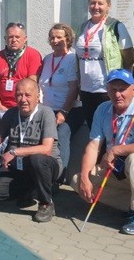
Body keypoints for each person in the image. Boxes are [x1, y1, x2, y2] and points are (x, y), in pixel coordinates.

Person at [73, 69, 134, 235]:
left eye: (122, 89)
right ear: (107, 90)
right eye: (113, 89)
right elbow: (93, 146)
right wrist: (85, 177)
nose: (117, 94)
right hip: (116, 169)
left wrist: (117, 150)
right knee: (77, 180)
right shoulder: (103, 109)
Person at [0, 78, 62, 223]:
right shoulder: (11, 113)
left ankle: (46, 203)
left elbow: (46, 149)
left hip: (46, 165)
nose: (23, 99)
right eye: (19, 95)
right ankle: (28, 191)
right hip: (19, 168)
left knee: (37, 159)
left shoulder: (46, 113)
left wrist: (14, 152)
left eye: (28, 95)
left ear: (37, 96)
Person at [76, 0, 134, 129]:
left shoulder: (116, 27)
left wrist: (120, 85)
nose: (96, 7)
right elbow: (77, 57)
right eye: (92, 3)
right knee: (93, 130)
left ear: (108, 6)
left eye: (100, 3)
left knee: (109, 130)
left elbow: (129, 59)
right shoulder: (82, 27)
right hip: (86, 89)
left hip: (107, 90)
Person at [37, 23, 81, 174]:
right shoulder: (47, 59)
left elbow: (74, 88)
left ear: (68, 39)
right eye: (52, 37)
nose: (55, 41)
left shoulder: (72, 58)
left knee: (61, 135)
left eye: (59, 37)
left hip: (69, 110)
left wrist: (64, 112)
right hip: (48, 109)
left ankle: (59, 176)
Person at [0, 22, 42, 116]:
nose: (14, 40)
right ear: (5, 39)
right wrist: (0, 107)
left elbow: (32, 84)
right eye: (10, 37)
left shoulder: (33, 55)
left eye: (17, 37)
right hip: (0, 107)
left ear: (25, 38)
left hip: (23, 107)